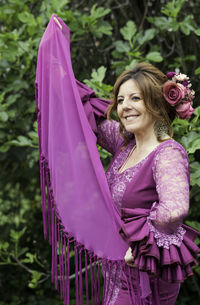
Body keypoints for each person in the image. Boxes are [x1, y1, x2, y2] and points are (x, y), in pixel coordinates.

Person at [36, 15, 199, 305]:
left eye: (134, 98)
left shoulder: (168, 152)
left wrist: (141, 244)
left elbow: (175, 208)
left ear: (156, 104)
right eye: (120, 100)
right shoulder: (124, 144)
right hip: (119, 273)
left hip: (145, 274)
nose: (124, 107)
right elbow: (80, 108)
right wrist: (56, 51)